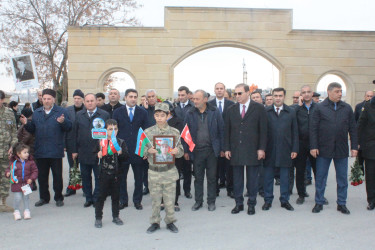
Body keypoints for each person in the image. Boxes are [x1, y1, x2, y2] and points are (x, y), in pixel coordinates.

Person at [310, 82, 358, 214]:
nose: (340, 94)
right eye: (337, 91)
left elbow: (353, 129)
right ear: (329, 92)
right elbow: (313, 129)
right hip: (323, 148)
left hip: (341, 149)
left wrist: (354, 146)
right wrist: (313, 146)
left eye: (341, 91)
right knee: (321, 178)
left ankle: (341, 203)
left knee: (342, 178)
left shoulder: (347, 108)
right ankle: (319, 202)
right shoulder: (320, 108)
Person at [20, 89, 72, 207]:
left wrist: (63, 122)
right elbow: (32, 129)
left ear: (53, 99)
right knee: (42, 177)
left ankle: (58, 197)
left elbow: (69, 127)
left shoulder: (61, 112)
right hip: (41, 150)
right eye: (44, 99)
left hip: (55, 150)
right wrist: (26, 123)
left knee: (57, 176)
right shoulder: (37, 112)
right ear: (41, 99)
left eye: (49, 99)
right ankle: (44, 198)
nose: (47, 101)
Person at [224, 83, 267, 215]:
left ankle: (251, 203)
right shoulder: (231, 109)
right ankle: (239, 203)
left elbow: (263, 130)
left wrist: (261, 148)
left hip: (253, 149)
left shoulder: (259, 108)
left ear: (248, 93)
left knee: (252, 179)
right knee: (237, 179)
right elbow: (227, 131)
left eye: (240, 93)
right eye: (235, 94)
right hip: (236, 150)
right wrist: (226, 148)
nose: (237, 96)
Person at [143, 102, 184, 234]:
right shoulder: (148, 132)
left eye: (162, 115)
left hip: (169, 171)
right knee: (155, 200)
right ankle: (155, 222)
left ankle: (170, 221)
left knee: (169, 200)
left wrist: (176, 151)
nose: (159, 118)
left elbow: (181, 152)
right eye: (157, 115)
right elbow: (141, 151)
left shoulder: (174, 132)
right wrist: (149, 150)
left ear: (168, 115)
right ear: (154, 116)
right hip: (154, 172)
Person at [185, 89, 224, 211]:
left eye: (197, 99)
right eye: (194, 99)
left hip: (212, 151)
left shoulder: (215, 111)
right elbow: (186, 133)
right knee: (198, 178)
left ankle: (211, 202)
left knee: (212, 178)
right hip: (197, 152)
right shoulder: (190, 113)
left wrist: (222, 148)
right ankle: (198, 201)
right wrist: (186, 151)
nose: (195, 101)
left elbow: (221, 130)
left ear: (205, 99)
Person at [263, 88, 298, 212]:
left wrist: (295, 148)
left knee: (284, 177)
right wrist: (261, 149)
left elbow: (295, 132)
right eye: (275, 96)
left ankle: (285, 200)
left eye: (280, 96)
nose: (278, 98)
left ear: (284, 97)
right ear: (272, 97)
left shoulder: (291, 112)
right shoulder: (266, 111)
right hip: (269, 149)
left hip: (285, 149)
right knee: (267, 177)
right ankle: (268, 200)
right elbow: (261, 132)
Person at [72, 93, 110, 207]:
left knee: (99, 177)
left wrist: (106, 148)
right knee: (85, 177)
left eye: (92, 101)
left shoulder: (104, 114)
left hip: (99, 152)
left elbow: (109, 133)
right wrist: (74, 150)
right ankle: (88, 198)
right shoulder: (79, 115)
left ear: (96, 102)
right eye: (87, 101)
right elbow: (74, 133)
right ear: (84, 102)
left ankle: (97, 197)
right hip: (83, 151)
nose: (90, 103)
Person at [113, 89, 148, 210]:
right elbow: (114, 132)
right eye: (130, 96)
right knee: (121, 178)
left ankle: (137, 201)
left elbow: (146, 132)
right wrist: (116, 148)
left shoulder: (143, 112)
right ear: (125, 98)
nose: (133, 99)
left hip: (138, 151)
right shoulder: (117, 112)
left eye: (135, 97)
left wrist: (145, 150)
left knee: (139, 178)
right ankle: (123, 200)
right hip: (122, 151)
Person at [95, 119, 129, 228]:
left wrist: (121, 153)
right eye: (110, 129)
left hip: (116, 173)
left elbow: (126, 157)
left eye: (115, 129)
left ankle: (115, 216)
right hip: (104, 173)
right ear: (105, 130)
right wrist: (98, 154)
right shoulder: (101, 142)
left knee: (116, 196)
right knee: (101, 196)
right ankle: (98, 217)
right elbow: (92, 155)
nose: (113, 131)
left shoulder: (120, 142)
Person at [208, 82, 235, 198]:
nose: (219, 90)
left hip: (228, 140)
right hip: (214, 142)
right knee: (215, 168)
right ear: (214, 90)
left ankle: (230, 190)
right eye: (217, 89)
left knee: (229, 168)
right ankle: (215, 190)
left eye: (221, 88)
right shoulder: (209, 104)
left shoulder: (231, 104)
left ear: (224, 90)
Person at [294, 85, 318, 205]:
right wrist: (298, 106)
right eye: (304, 92)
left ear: (312, 93)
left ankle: (320, 195)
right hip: (301, 144)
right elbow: (291, 120)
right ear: (301, 95)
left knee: (318, 171)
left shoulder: (319, 107)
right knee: (300, 171)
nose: (307, 94)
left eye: (309, 92)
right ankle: (301, 194)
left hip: (315, 145)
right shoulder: (296, 109)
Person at [5, 143, 38, 220]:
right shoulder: (13, 162)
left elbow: (35, 171)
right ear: (18, 154)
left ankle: (27, 210)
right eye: (25, 152)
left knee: (26, 197)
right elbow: (8, 169)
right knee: (18, 197)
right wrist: (7, 173)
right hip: (17, 183)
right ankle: (16, 211)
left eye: (27, 152)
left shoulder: (30, 162)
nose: (27, 154)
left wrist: (32, 178)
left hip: (26, 183)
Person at [174, 86, 194, 199]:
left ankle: (187, 190)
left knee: (187, 169)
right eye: (179, 95)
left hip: (188, 141)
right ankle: (177, 192)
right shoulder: (174, 107)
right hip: (176, 142)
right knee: (176, 168)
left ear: (187, 95)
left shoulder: (192, 107)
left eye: (183, 95)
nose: (180, 97)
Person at [64, 89, 85, 197]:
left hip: (84, 143)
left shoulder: (86, 109)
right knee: (73, 167)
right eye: (75, 98)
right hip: (71, 142)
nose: (77, 100)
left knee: (85, 167)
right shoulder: (67, 110)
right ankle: (72, 187)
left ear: (83, 99)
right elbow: (64, 128)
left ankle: (86, 188)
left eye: (79, 98)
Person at [164, 101, 184, 211]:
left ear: (170, 111)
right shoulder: (158, 122)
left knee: (174, 179)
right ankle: (163, 201)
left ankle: (175, 201)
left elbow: (180, 138)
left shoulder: (178, 122)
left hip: (174, 155)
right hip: (161, 155)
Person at [0, 90, 18, 212]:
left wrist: (12, 146)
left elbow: (14, 132)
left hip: (6, 152)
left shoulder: (9, 113)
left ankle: (2, 203)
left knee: (5, 178)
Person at [358, 95, 375, 210]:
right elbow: (360, 126)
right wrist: (358, 143)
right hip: (371, 147)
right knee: (371, 176)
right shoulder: (368, 106)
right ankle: (372, 200)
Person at [142, 89, 158, 195]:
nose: (151, 98)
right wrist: (144, 109)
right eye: (149, 97)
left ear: (156, 97)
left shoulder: (161, 109)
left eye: (153, 96)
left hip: (158, 141)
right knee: (145, 168)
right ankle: (146, 186)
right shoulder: (143, 110)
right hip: (147, 141)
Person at [17, 108, 37, 191]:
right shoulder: (31, 121)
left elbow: (27, 136)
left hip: (28, 149)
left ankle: (30, 185)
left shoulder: (27, 123)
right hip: (30, 148)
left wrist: (20, 145)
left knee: (27, 168)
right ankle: (32, 184)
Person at [354, 90, 374, 173]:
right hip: (363, 138)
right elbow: (356, 122)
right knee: (360, 157)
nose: (369, 98)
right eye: (368, 96)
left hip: (369, 140)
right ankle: (360, 172)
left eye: (371, 96)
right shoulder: (360, 106)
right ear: (365, 96)